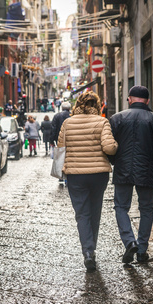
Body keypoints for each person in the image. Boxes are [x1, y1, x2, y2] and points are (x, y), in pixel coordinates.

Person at [109, 86, 153, 264]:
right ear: (148, 101)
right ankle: (142, 250)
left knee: (121, 207)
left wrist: (116, 162)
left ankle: (129, 242)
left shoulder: (116, 119)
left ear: (129, 99)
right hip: (148, 171)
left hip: (123, 170)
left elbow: (109, 147)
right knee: (146, 209)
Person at [57, 91, 118, 272]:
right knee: (95, 211)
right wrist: (115, 146)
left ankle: (88, 252)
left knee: (82, 214)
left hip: (76, 175)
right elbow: (109, 147)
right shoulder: (102, 122)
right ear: (96, 105)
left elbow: (60, 149)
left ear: (78, 104)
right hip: (98, 174)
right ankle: (92, 248)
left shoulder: (67, 123)